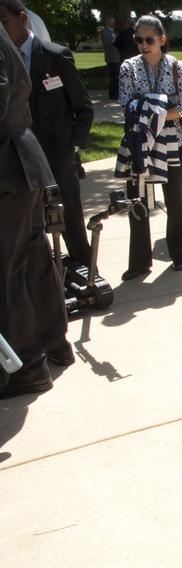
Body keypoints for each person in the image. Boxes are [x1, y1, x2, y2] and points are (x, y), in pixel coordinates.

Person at [0, 24, 71, 397]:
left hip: (7, 168)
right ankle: (52, 344)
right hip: (17, 165)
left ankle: (27, 366)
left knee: (7, 271)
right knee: (32, 259)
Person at [1, 0, 94, 268]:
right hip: (19, 162)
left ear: (22, 18)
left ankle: (87, 274)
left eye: (4, 22)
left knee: (71, 222)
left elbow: (83, 108)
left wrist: (71, 148)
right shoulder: (3, 61)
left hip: (57, 157)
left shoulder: (56, 56)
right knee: (31, 227)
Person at [117, 14, 182, 279]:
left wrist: (151, 110)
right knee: (137, 201)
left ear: (162, 39)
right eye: (138, 39)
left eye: (149, 39)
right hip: (138, 142)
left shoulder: (177, 67)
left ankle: (180, 254)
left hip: (174, 142)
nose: (143, 44)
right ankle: (139, 262)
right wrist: (159, 108)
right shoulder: (128, 67)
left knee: (175, 200)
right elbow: (126, 104)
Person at [101, 15, 119, 99]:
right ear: (107, 22)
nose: (113, 24)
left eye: (114, 22)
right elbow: (107, 43)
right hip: (111, 57)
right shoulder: (104, 31)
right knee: (113, 77)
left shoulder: (113, 31)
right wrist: (116, 42)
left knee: (116, 76)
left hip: (116, 57)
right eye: (112, 22)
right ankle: (112, 95)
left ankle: (115, 93)